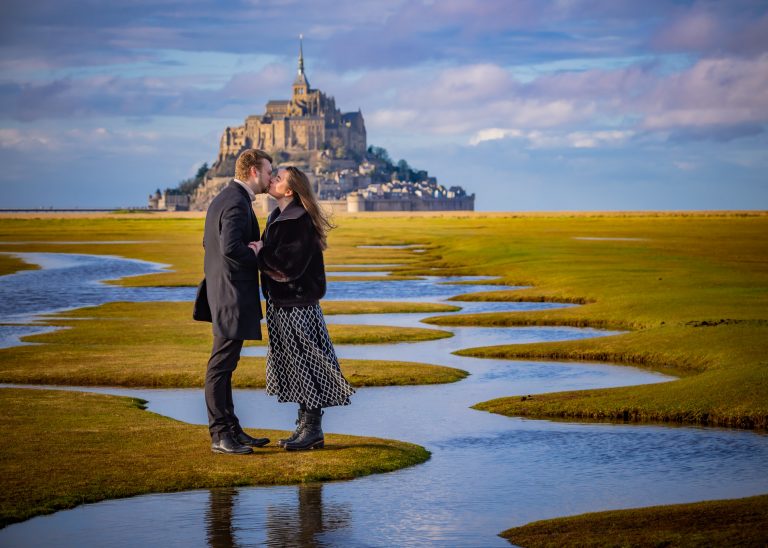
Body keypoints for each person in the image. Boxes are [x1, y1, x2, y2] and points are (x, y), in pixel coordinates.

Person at [250, 166, 354, 451]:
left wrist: (261, 254)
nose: (272, 180)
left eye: (278, 178)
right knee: (298, 365)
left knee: (307, 364)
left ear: (290, 190)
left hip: (297, 303)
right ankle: (304, 427)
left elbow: (288, 267)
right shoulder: (280, 216)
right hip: (283, 302)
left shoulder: (298, 220)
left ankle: (312, 429)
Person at [193, 149, 273, 455]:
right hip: (230, 295)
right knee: (220, 365)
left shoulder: (224, 198)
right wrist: (255, 251)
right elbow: (229, 248)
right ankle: (220, 435)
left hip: (222, 291)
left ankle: (231, 429)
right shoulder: (237, 203)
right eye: (268, 171)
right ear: (253, 171)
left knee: (226, 364)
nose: (270, 177)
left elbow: (208, 243)